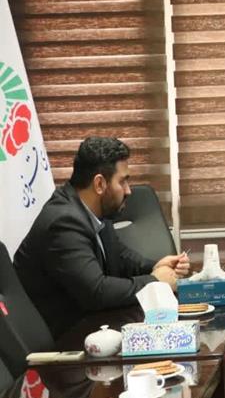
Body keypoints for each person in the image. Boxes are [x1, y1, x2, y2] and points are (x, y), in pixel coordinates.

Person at [14, 137, 189, 338]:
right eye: (122, 181)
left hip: (92, 326)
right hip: (64, 340)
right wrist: (155, 281)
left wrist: (155, 266)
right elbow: (96, 291)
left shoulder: (94, 211)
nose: (128, 190)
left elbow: (120, 256)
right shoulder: (63, 222)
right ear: (99, 184)